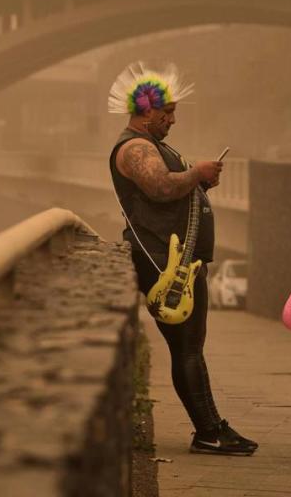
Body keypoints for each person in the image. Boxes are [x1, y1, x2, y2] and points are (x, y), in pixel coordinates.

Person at [107, 61, 258, 456]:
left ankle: (212, 427)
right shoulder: (135, 146)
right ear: (145, 111)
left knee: (191, 347)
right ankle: (209, 432)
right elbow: (158, 186)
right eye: (167, 112)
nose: (172, 120)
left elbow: (169, 188)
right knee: (187, 348)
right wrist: (197, 173)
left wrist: (198, 181)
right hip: (163, 263)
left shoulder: (153, 145)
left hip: (178, 261)